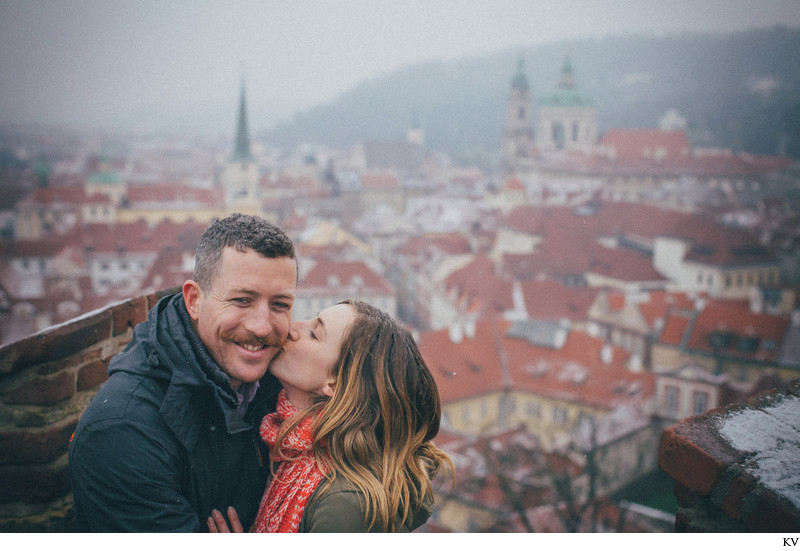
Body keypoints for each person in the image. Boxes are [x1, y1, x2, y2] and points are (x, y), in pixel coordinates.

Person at [68, 213, 298, 532]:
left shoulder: (283, 383)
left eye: (280, 305)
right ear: (194, 300)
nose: (261, 326)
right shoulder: (123, 431)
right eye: (242, 300)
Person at [207, 300, 452, 533]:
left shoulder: (344, 505)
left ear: (335, 384)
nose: (291, 328)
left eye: (314, 334)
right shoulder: (288, 445)